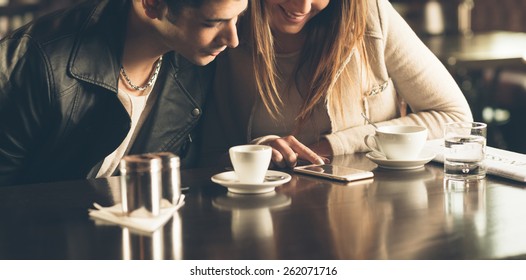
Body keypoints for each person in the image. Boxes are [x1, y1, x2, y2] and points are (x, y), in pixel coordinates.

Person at [0, 0, 247, 186]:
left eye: (237, 18)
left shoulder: (196, 62)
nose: (232, 39)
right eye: (212, 23)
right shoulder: (33, 61)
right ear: (151, 3)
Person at [200, 0, 473, 168]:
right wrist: (261, 151)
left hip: (373, 214)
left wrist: (333, 146)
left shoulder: (370, 12)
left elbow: (456, 118)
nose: (302, 7)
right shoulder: (222, 30)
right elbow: (204, 156)